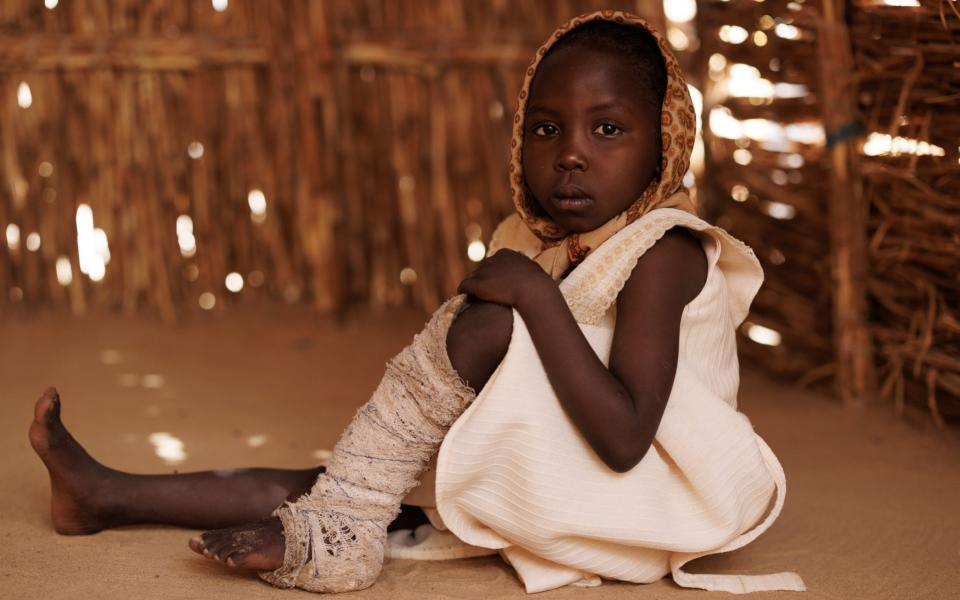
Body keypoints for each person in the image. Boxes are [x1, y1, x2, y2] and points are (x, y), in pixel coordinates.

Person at [29, 10, 804, 595]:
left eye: (608, 129)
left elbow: (630, 437)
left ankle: (345, 523)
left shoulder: (665, 250)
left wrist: (530, 299)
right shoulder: (544, 242)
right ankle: (105, 494)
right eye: (545, 128)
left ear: (664, 144)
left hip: (649, 498)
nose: (569, 152)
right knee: (347, 477)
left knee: (475, 349)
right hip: (563, 472)